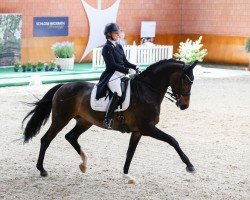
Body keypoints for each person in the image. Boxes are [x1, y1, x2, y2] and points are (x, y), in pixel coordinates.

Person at [96, 23, 138, 129]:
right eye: (116, 33)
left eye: (118, 33)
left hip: (121, 73)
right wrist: (127, 70)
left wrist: (135, 66)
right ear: (109, 34)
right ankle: (107, 118)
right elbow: (112, 65)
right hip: (111, 75)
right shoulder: (106, 48)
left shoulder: (119, 46)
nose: (118, 35)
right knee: (118, 93)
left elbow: (125, 61)